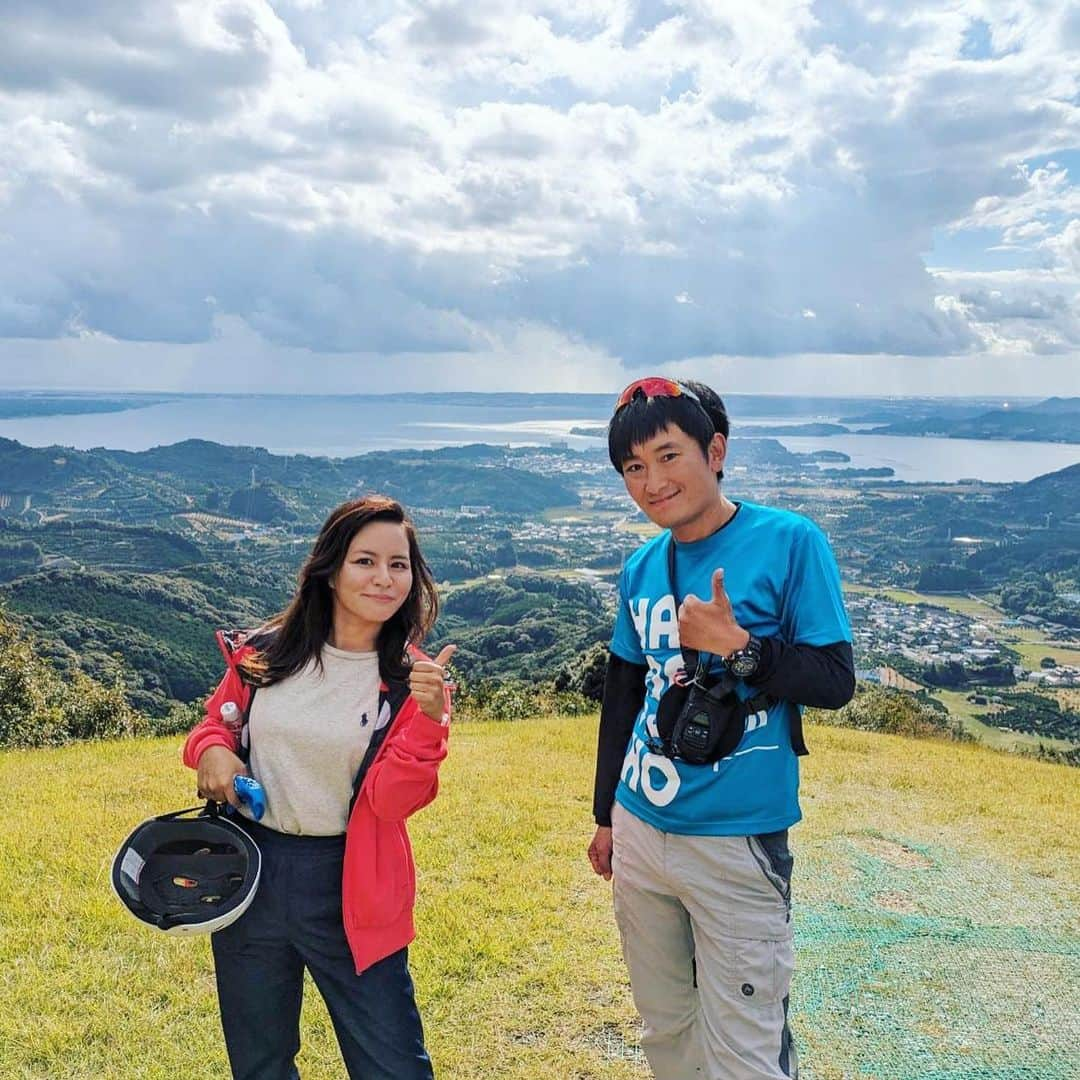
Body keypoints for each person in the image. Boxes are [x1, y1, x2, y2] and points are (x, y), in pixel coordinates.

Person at [588, 378, 855, 1080]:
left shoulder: (790, 542)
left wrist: (744, 649)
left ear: (716, 450)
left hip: (738, 839)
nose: (651, 482)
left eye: (668, 455)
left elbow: (835, 681)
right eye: (633, 469)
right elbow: (623, 694)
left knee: (746, 1046)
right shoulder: (643, 565)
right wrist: (605, 815)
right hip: (643, 827)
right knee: (665, 1030)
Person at [182, 494, 455, 1080]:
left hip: (350, 878)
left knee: (392, 1065)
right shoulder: (268, 651)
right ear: (330, 570)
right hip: (250, 870)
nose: (384, 578)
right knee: (260, 1060)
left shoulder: (411, 684)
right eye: (365, 561)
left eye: (399, 564)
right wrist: (214, 751)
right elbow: (215, 721)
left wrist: (431, 724)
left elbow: (393, 801)